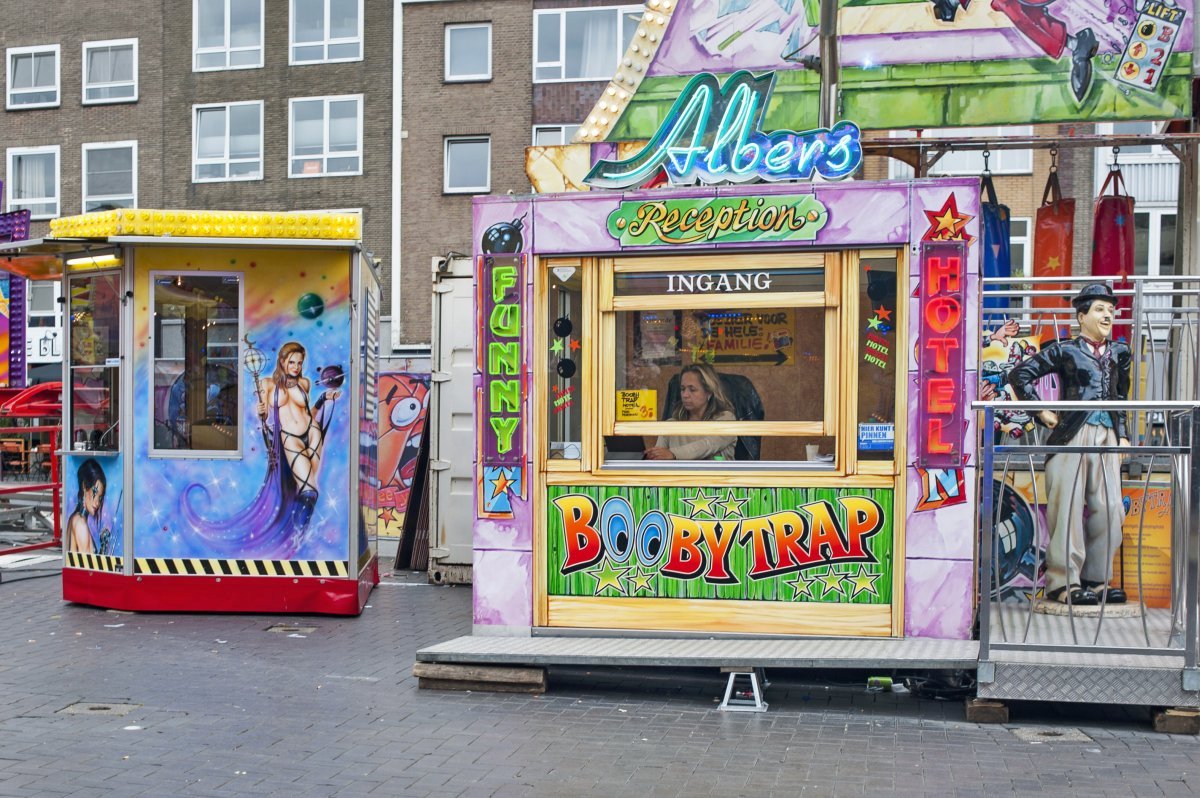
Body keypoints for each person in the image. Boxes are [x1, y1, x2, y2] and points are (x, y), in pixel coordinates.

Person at [1007, 282, 1131, 605]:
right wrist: (1042, 412)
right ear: (1082, 316)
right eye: (1100, 309)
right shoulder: (1065, 350)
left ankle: (1096, 577)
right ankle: (1063, 581)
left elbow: (1121, 396)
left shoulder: (1120, 353)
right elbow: (1020, 375)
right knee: (1068, 508)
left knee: (1111, 508)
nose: (1108, 315)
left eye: (1111, 309)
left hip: (1106, 436)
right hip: (1071, 435)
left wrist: (1124, 433)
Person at [256, 342, 341, 530]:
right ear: (282, 361)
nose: (296, 367)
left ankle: (299, 531)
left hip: (312, 434)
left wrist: (323, 399)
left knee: (307, 490)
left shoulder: (305, 383)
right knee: (309, 491)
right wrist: (261, 411)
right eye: (292, 362)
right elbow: (264, 416)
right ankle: (297, 533)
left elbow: (308, 413)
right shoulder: (268, 384)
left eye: (300, 363)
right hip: (290, 438)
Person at [645, 363, 737, 461]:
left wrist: (673, 454)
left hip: (716, 476)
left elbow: (707, 446)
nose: (685, 395)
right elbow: (658, 459)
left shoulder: (726, 419)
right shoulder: (670, 425)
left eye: (692, 390)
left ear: (709, 392)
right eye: (682, 389)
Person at [66, 458, 107, 555]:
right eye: (94, 493)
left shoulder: (75, 518)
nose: (97, 503)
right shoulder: (81, 524)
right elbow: (87, 566)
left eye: (100, 498)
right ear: (84, 487)